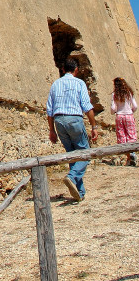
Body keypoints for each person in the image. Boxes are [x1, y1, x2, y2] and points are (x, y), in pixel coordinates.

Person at [46, 57, 98, 201]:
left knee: (72, 155)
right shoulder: (79, 83)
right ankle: (72, 177)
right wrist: (94, 126)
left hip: (59, 121)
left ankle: (79, 192)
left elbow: (49, 110)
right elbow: (87, 107)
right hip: (74, 118)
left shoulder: (56, 84)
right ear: (75, 70)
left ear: (62, 69)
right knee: (85, 154)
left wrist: (52, 130)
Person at [111, 77, 137, 166]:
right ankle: (132, 154)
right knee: (131, 135)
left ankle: (128, 157)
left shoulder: (115, 94)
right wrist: (131, 111)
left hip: (119, 115)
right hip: (129, 115)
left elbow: (113, 108)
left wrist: (113, 112)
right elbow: (135, 106)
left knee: (122, 136)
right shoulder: (129, 93)